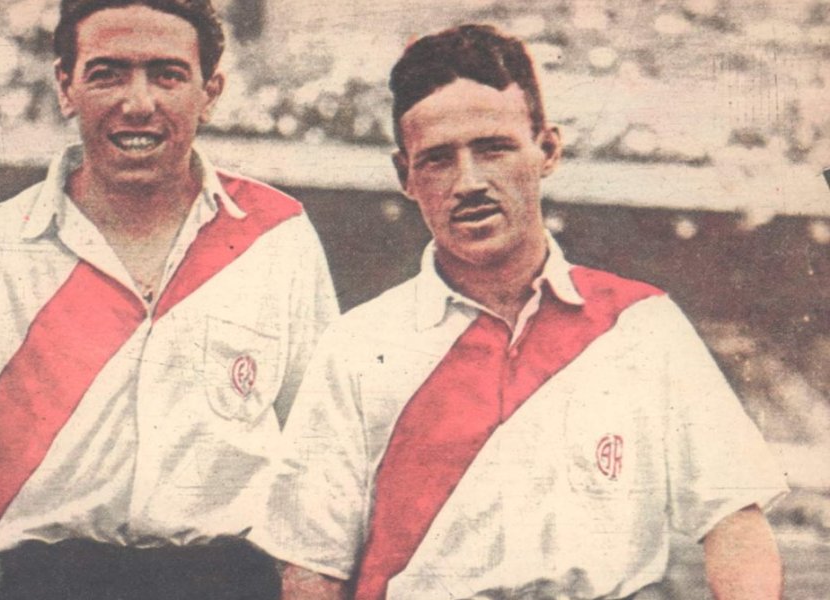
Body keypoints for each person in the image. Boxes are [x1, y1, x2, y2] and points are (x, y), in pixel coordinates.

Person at [253, 24, 788, 600]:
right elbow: (312, 568)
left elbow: (735, 523)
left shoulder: (641, 325)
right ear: (404, 175)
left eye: (494, 148)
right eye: (437, 159)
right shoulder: (358, 347)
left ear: (548, 150)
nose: (469, 182)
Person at [0, 1, 338, 598]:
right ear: (66, 86)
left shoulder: (277, 235)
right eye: (107, 74)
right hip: (52, 583)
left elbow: (319, 465)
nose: (138, 103)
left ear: (210, 93)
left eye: (167, 75)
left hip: (231, 580)